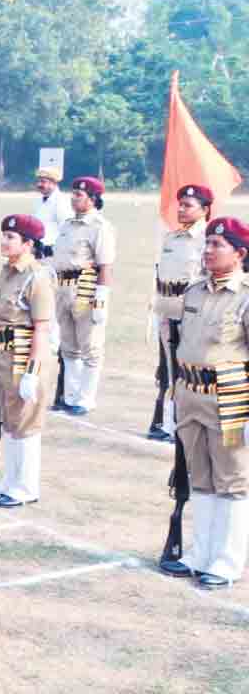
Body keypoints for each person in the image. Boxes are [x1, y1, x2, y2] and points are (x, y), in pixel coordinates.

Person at [163, 216, 249, 588]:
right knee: (199, 477)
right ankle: (200, 553)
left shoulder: (244, 296)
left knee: (231, 480)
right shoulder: (194, 292)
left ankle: (226, 561)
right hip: (190, 395)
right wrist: (173, 396)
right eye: (208, 244)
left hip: (229, 400)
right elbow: (178, 347)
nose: (208, 251)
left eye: (218, 246)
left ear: (240, 254)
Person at [0, 214, 56, 507]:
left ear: (28, 243)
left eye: (11, 237)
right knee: (10, 421)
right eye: (3, 235)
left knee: (25, 423)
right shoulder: (7, 273)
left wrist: (32, 372)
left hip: (23, 358)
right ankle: (10, 481)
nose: (4, 241)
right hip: (2, 356)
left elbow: (41, 328)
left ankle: (25, 487)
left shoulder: (36, 277)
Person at [150, 185, 211, 440]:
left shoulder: (207, 241)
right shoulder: (171, 238)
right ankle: (168, 422)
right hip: (166, 309)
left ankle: (181, 424)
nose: (182, 209)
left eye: (189, 205)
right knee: (169, 370)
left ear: (205, 210)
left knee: (187, 371)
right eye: (181, 204)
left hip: (191, 313)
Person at [51, 176, 115, 416]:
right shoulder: (67, 225)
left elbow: (105, 265)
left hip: (84, 287)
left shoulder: (99, 227)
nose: (73, 198)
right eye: (74, 193)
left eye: (79, 195)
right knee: (68, 345)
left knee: (90, 346)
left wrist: (101, 299)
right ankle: (70, 395)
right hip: (62, 286)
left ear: (93, 199)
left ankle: (86, 398)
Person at [33, 168, 72, 257]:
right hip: (39, 249)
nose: (39, 184)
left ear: (53, 183)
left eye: (43, 182)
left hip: (53, 250)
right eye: (38, 181)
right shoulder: (38, 200)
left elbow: (66, 228)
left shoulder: (61, 202)